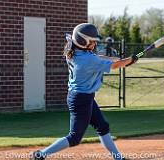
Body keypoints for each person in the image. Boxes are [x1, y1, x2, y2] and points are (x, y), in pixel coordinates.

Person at [30, 23, 138, 160]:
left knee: (102, 126)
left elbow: (99, 58)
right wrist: (128, 61)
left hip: (81, 97)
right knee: (74, 137)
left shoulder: (73, 49)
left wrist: (123, 60)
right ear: (83, 41)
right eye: (92, 41)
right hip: (81, 99)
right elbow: (113, 65)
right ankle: (40, 155)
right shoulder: (88, 60)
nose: (94, 44)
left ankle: (118, 158)